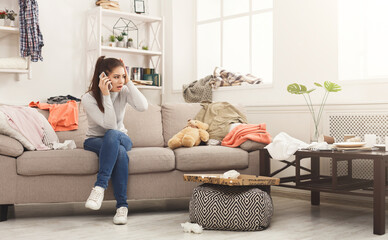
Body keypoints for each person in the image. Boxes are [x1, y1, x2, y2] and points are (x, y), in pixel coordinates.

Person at [81, 56, 148, 225]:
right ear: (103, 77)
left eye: (123, 76)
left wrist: (129, 82)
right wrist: (105, 95)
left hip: (121, 137)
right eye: (116, 77)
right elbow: (109, 124)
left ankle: (99, 187)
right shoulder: (88, 98)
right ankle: (122, 207)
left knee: (114, 136)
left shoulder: (123, 90)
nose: (121, 81)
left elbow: (143, 106)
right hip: (95, 140)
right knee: (118, 151)